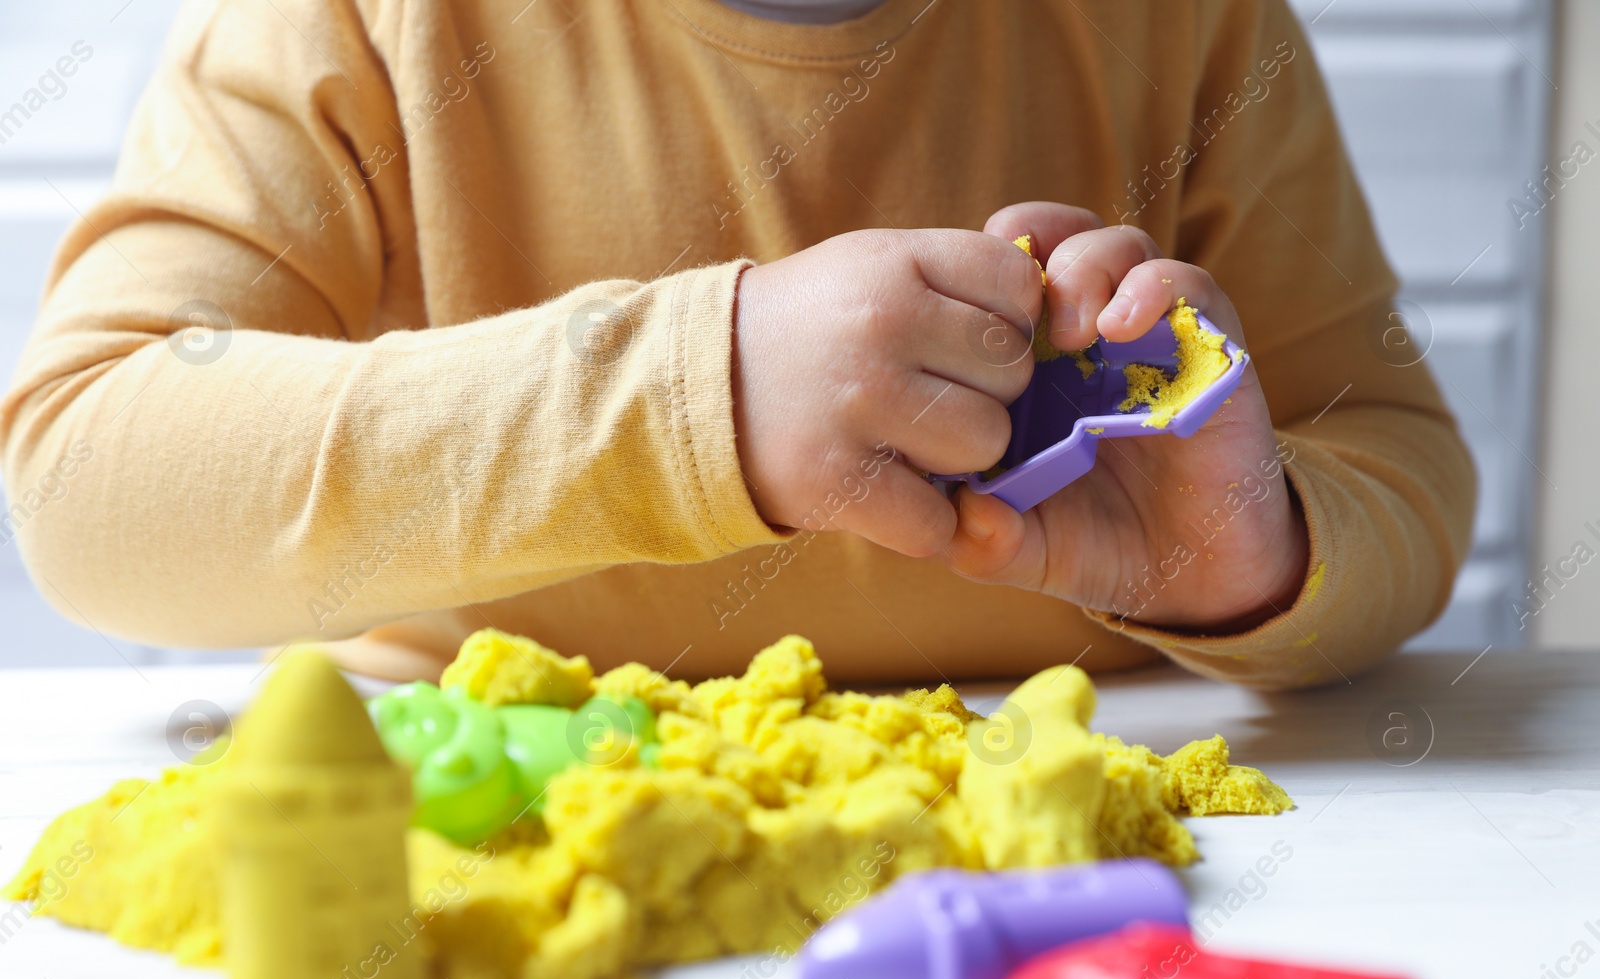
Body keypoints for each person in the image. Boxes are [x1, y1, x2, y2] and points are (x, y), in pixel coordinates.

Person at [0, 0, 1473, 690]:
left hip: (1104, 853)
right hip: (505, 858)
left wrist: (1254, 553)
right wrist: (689, 393)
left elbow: (1399, 462)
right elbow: (87, 473)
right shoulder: (347, 22)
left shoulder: (1190, 25)